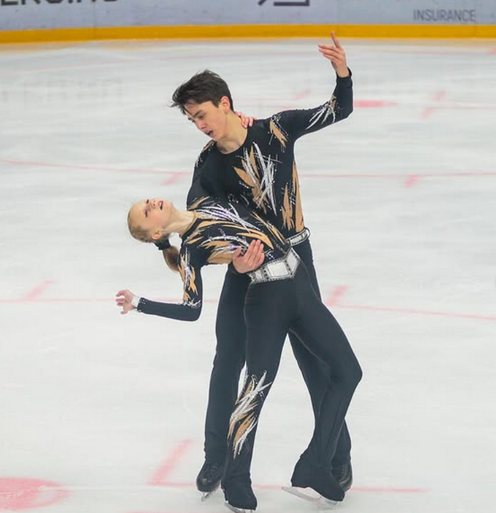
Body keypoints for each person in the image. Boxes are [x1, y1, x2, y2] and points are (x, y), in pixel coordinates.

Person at [168, 32, 356, 497]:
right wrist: (232, 262)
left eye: (202, 114)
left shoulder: (276, 129)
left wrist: (341, 71)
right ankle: (218, 456)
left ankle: (336, 457)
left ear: (225, 103)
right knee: (228, 357)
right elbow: (198, 223)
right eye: (191, 119)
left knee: (316, 362)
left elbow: (337, 110)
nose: (199, 125)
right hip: (245, 270)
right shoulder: (208, 165)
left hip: (296, 259)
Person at [116, 195, 362, 512]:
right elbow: (191, 309)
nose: (152, 204)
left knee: (348, 372)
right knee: (255, 390)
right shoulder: (191, 250)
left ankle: (316, 463)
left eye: (148, 202)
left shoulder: (207, 202)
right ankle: (235, 483)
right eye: (147, 212)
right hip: (267, 299)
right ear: (156, 233)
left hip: (298, 283)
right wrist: (140, 303)